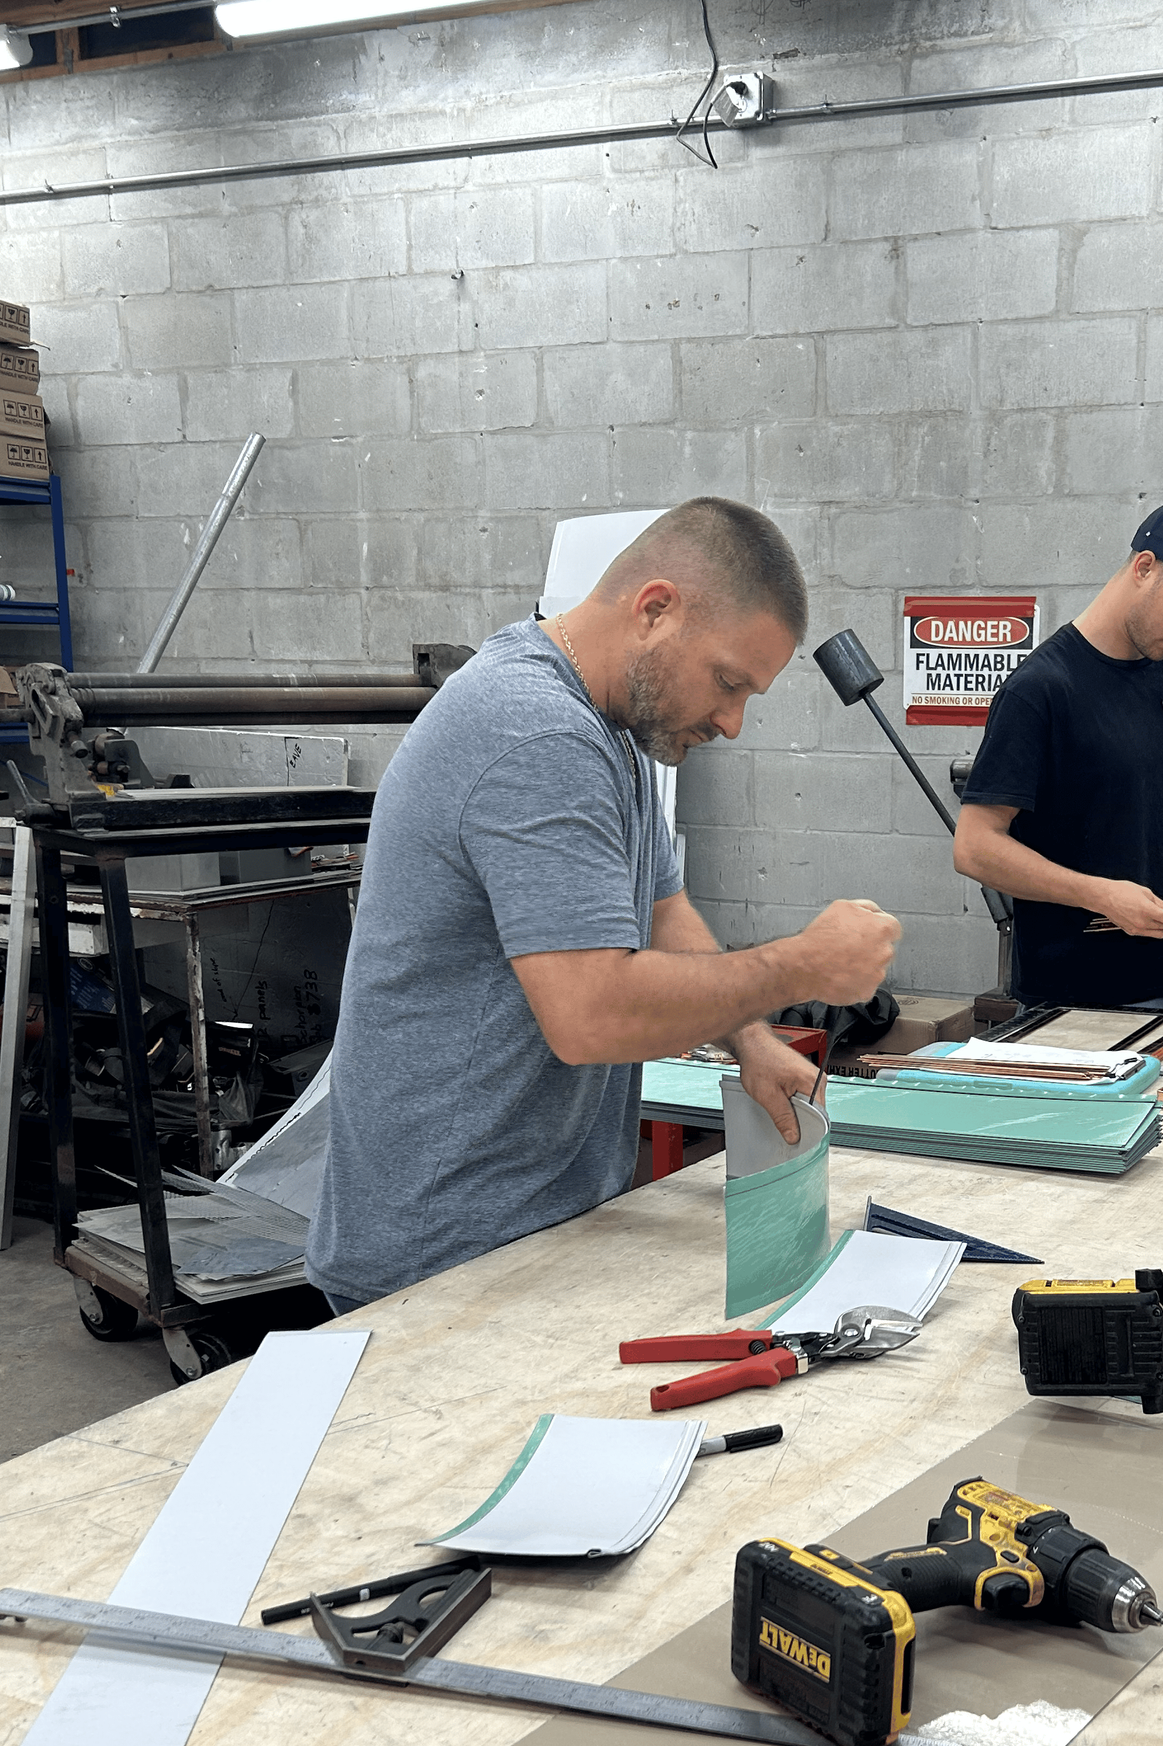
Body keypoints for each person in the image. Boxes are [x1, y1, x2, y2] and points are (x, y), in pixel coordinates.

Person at [308, 498, 899, 1312]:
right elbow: (590, 1016)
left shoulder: (608, 732)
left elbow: (665, 913)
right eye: (728, 681)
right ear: (655, 610)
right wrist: (799, 963)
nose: (731, 721)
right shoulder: (537, 732)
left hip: (533, 1224)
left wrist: (750, 1043)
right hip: (444, 1250)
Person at [953, 495, 1163, 1014]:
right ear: (1144, 568)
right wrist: (1100, 895)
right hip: (1075, 1005)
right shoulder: (1042, 689)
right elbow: (975, 847)